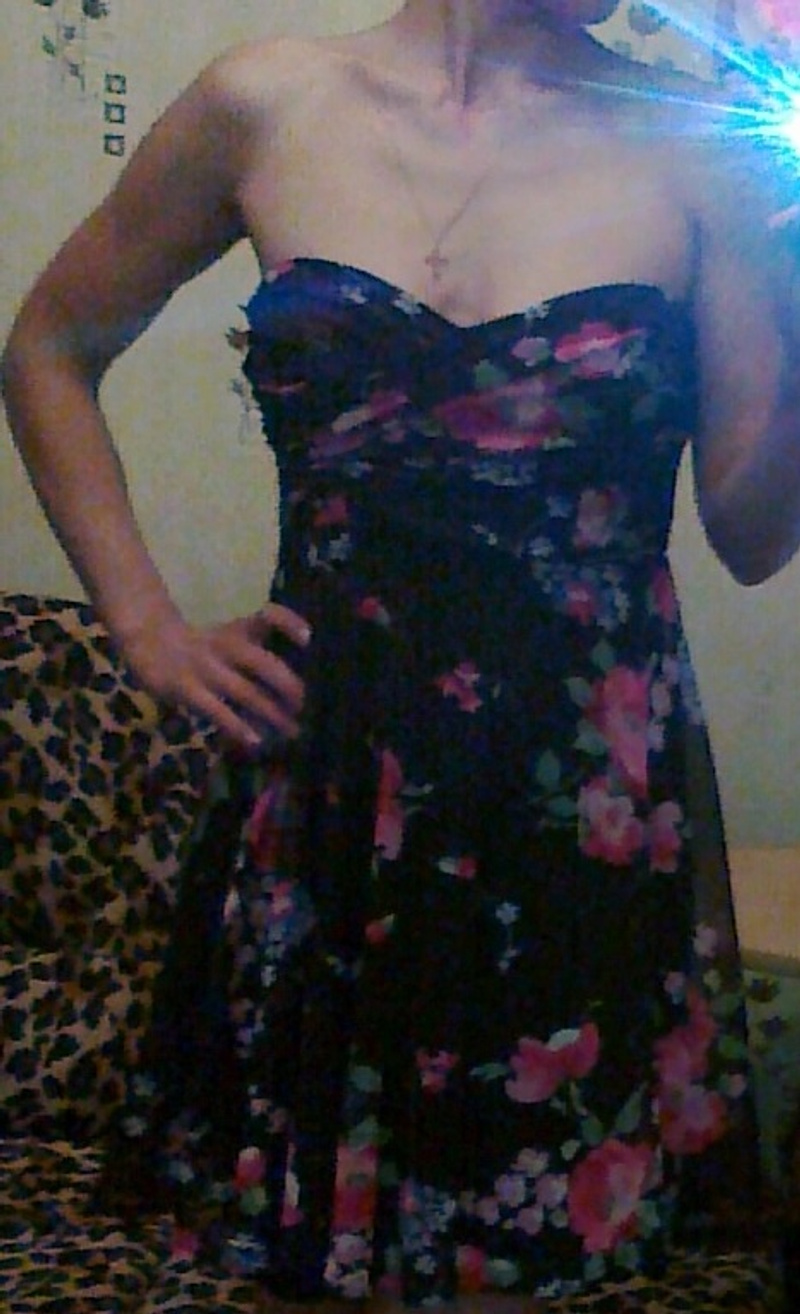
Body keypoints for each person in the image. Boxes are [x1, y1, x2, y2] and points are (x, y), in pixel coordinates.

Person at [2, 0, 795, 1306]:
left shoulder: (705, 146)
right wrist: (143, 625)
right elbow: (48, 344)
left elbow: (755, 532)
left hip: (573, 817)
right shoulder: (265, 101)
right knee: (305, 1260)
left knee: (534, 1263)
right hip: (326, 794)